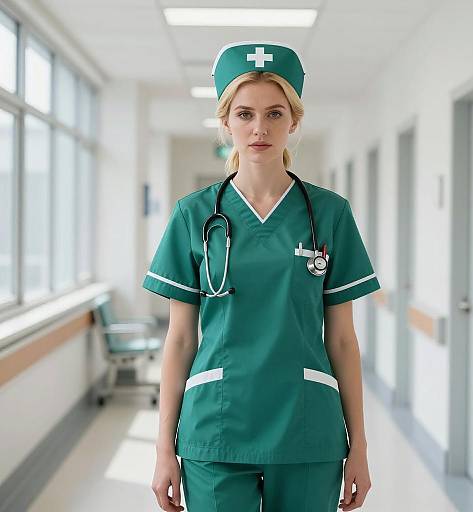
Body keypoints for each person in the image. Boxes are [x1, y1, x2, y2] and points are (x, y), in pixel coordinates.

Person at [144, 41, 381, 512]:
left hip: (307, 427)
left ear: (294, 122)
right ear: (225, 121)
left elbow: (342, 342)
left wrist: (360, 446)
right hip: (214, 426)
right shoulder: (194, 216)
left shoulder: (329, 215)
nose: (259, 128)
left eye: (275, 114)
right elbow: (179, 340)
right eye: (245, 113)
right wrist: (162, 448)